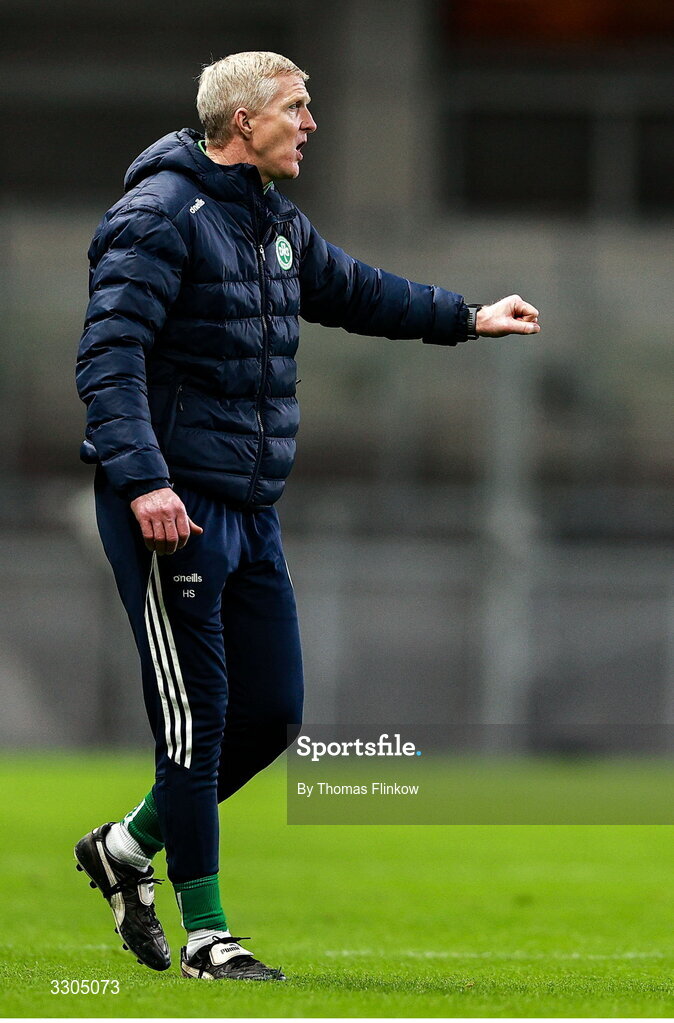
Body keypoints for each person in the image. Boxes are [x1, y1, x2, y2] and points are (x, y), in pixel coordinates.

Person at [74, 50, 541, 983]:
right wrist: (144, 480)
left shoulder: (271, 222)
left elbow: (356, 289)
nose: (312, 123)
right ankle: (209, 935)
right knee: (196, 719)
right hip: (174, 508)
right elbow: (109, 356)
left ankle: (126, 848)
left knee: (273, 712)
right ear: (244, 123)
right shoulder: (160, 215)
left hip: (251, 505)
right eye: (298, 106)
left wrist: (468, 317)